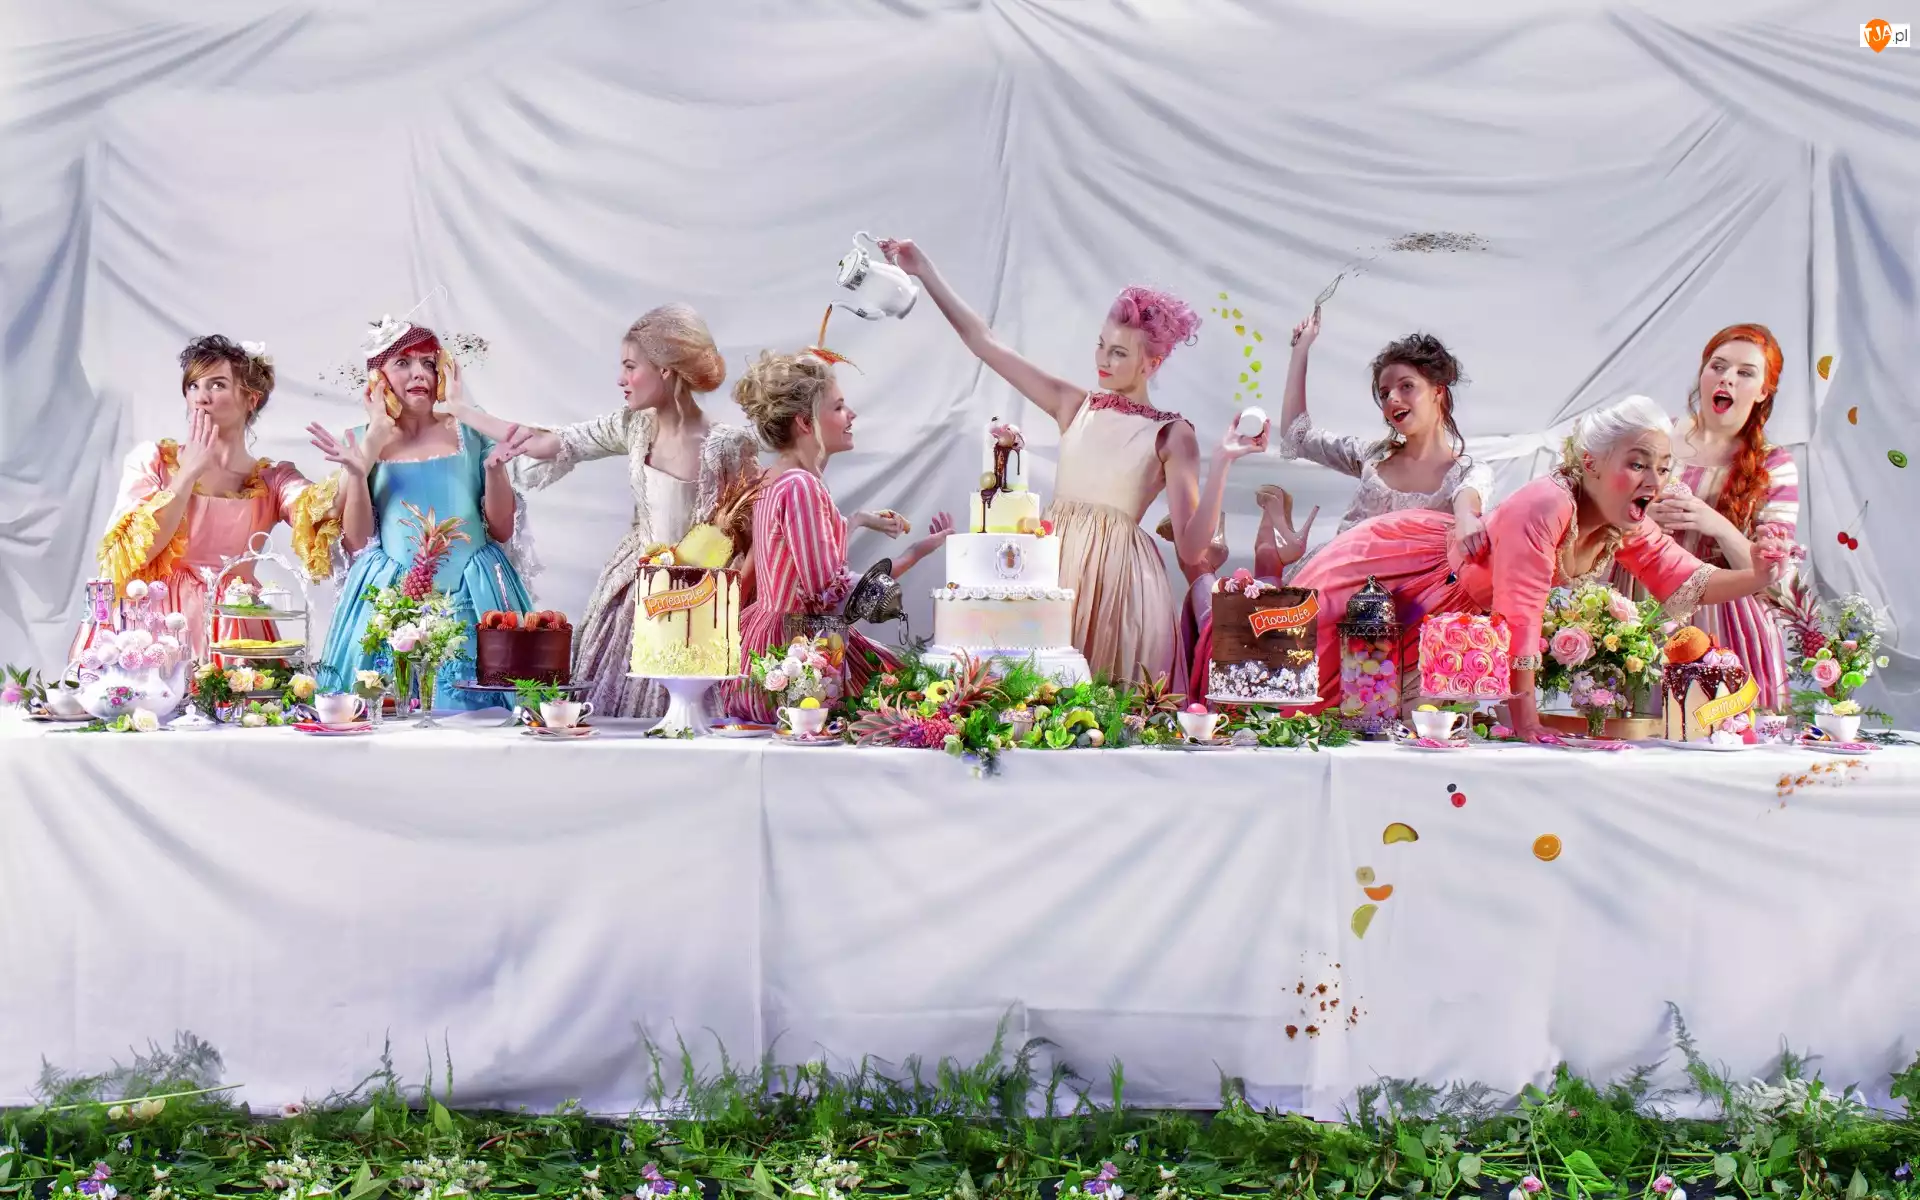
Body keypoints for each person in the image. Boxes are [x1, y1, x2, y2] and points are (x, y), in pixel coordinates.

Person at [1288, 395, 1794, 742]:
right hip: (1405, 582)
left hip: (1460, 622)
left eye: (1663, 468)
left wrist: (1760, 574)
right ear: (1591, 463)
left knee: (1397, 731)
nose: (1654, 481)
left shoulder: (1623, 520)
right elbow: (1520, 616)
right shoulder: (1546, 504)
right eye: (1638, 463)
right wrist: (1527, 724)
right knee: (1328, 703)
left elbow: (1684, 579)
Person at [878, 237, 1207, 685]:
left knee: (1111, 703)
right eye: (1101, 345)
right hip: (1053, 560)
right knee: (1038, 694)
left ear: (1152, 363)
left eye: (1119, 352)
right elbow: (985, 344)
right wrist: (923, 270)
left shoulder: (1173, 433)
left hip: (1121, 581)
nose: (1103, 360)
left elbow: (1191, 548)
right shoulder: (1075, 405)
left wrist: (1225, 462)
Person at [462, 305, 760, 717]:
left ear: (665, 370)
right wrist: (460, 410)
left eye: (630, 367)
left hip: (702, 598)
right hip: (636, 589)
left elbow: (754, 537)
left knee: (695, 716)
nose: (620, 379)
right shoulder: (633, 425)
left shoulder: (728, 444)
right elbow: (549, 441)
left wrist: (732, 604)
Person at [307, 318, 538, 709]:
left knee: (480, 712)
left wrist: (495, 471)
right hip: (392, 595)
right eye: (403, 362)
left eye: (429, 363)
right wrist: (358, 471)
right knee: (384, 708)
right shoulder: (361, 441)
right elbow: (357, 542)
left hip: (472, 591)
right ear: (378, 379)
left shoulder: (470, 431)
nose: (419, 373)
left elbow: (500, 530)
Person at [79, 335, 343, 661]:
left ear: (251, 399)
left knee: (242, 694)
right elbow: (136, 555)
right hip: (158, 628)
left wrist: (362, 460)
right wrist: (187, 473)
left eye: (217, 385)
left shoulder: (272, 481)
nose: (200, 397)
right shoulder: (154, 462)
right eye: (193, 385)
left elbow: (326, 512)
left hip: (235, 628)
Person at [726, 350, 952, 724]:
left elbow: (801, 564)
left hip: (770, 643)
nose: (852, 415)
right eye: (838, 407)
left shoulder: (778, 477)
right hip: (795, 655)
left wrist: (858, 520)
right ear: (805, 422)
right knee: (917, 696)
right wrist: (913, 554)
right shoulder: (801, 487)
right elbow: (829, 592)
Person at [1613, 324, 1797, 709]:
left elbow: (1773, 576)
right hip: (1641, 607)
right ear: (1703, 372)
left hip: (1725, 621)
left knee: (1718, 730)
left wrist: (1716, 525)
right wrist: (1641, 515)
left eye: (1745, 373)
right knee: (1633, 727)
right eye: (1718, 366)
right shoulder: (1652, 438)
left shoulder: (1774, 465)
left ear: (1763, 391)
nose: (1727, 378)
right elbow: (1597, 517)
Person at [1278, 310, 1491, 561]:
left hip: (1408, 587)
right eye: (1385, 393)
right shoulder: (1374, 455)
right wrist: (1301, 349)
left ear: (1438, 391)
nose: (1392, 399)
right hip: (1335, 578)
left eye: (1406, 386)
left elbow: (1467, 503)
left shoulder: (1468, 472)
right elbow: (1297, 436)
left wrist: (1466, 519)